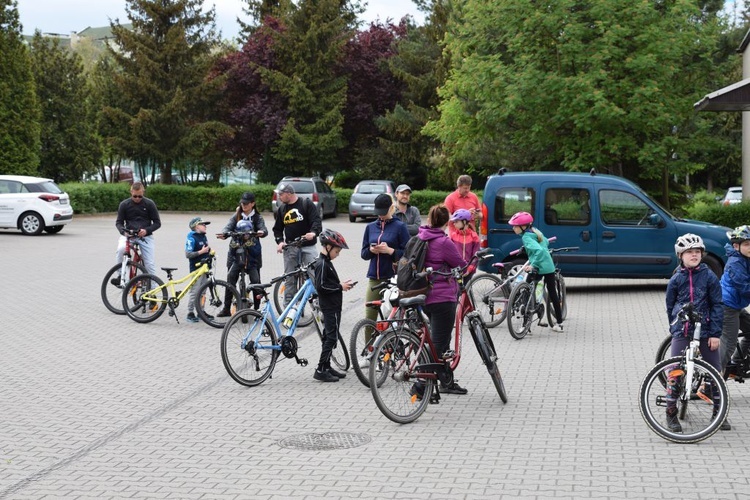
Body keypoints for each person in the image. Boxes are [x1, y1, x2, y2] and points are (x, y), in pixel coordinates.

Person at [665, 234, 728, 432]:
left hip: (706, 330)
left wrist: (715, 334)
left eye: (697, 252)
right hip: (683, 330)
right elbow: (670, 306)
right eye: (689, 252)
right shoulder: (676, 278)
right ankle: (671, 413)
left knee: (715, 371)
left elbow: (717, 305)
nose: (694, 255)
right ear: (681, 256)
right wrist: (675, 328)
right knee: (675, 370)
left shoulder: (709, 276)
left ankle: (719, 412)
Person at [411, 204, 469, 397]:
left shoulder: (420, 237)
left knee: (438, 341)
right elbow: (460, 265)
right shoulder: (444, 242)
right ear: (446, 222)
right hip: (442, 298)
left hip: (423, 296)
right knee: (439, 343)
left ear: (429, 220)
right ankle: (420, 384)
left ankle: (446, 381)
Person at [508, 211, 564, 332]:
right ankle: (559, 324)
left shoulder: (526, 237)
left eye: (515, 226)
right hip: (548, 266)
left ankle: (525, 324)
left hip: (538, 266)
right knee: (553, 294)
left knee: (526, 291)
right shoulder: (535, 231)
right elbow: (546, 242)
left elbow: (538, 251)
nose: (513, 228)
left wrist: (533, 265)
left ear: (523, 227)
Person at [312, 229, 355, 382]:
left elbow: (328, 283)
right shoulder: (322, 264)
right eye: (337, 251)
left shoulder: (327, 262)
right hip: (330, 307)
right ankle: (320, 369)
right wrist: (340, 287)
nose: (338, 254)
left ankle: (327, 366)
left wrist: (341, 285)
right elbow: (321, 287)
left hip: (333, 305)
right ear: (328, 247)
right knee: (331, 338)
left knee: (329, 336)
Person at [216, 192, 268, 315]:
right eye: (242, 203)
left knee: (256, 280)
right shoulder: (237, 215)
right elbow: (228, 227)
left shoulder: (257, 218)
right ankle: (226, 308)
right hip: (235, 252)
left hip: (252, 254)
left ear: (253, 204)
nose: (243, 205)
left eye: (246, 203)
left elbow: (264, 229)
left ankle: (257, 310)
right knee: (230, 278)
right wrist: (225, 233)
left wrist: (261, 232)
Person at [361, 193, 410, 322]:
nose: (380, 215)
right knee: (369, 318)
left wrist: (390, 251)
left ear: (391, 208)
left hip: (393, 279)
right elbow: (364, 254)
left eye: (383, 212)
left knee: (390, 319)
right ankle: (370, 343)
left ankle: (389, 342)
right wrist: (372, 251)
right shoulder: (370, 227)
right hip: (374, 278)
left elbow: (408, 254)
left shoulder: (400, 227)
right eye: (378, 212)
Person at [272, 182, 322, 306]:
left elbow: (316, 221)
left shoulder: (306, 204)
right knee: (290, 278)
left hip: (308, 246)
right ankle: (288, 308)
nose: (279, 197)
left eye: (281, 194)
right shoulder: (282, 209)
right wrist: (280, 242)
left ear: (289, 194)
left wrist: (313, 233)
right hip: (291, 248)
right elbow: (277, 229)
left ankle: (319, 304)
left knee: (314, 274)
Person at [720, 225, 750, 378]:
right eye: (747, 244)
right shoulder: (735, 263)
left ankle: (735, 365)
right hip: (727, 306)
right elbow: (745, 287)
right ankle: (710, 383)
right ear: (736, 246)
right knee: (729, 343)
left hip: (736, 305)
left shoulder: (745, 259)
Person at [115, 182, 161, 276]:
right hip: (129, 235)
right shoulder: (124, 204)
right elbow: (119, 222)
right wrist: (124, 232)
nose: (137, 199)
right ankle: (120, 275)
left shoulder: (149, 204)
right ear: (131, 192)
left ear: (143, 192)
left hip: (145, 237)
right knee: (120, 249)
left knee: (149, 263)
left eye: (139, 196)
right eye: (135, 196)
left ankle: (153, 287)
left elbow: (157, 223)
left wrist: (146, 231)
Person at [184, 217, 212, 323]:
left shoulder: (203, 236)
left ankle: (201, 311)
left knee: (203, 291)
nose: (205, 226)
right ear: (196, 227)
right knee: (195, 291)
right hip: (196, 268)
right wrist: (201, 252)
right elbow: (188, 254)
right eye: (203, 224)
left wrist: (210, 251)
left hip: (205, 268)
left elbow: (206, 249)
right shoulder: (191, 237)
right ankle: (190, 313)